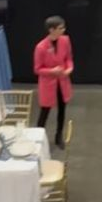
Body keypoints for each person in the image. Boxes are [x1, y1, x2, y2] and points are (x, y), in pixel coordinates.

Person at [33, 16, 73, 146]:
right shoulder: (41, 47)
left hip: (62, 82)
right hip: (48, 84)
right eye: (61, 28)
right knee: (45, 111)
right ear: (52, 30)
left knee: (62, 110)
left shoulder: (65, 41)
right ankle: (37, 137)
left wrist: (69, 69)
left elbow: (68, 59)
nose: (63, 30)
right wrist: (52, 71)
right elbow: (37, 69)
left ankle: (58, 135)